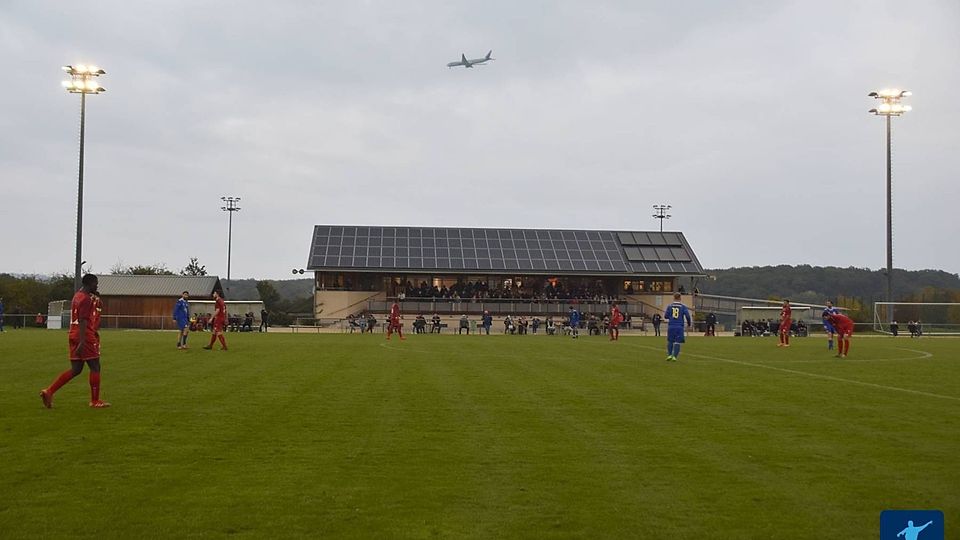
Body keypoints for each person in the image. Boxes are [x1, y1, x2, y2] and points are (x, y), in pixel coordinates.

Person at [40, 274, 110, 408]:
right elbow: (83, 320)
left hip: (73, 333)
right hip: (84, 335)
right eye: (96, 283)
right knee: (95, 366)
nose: (97, 286)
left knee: (76, 369)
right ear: (90, 283)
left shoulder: (77, 296)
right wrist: (83, 341)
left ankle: (49, 391)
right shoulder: (86, 300)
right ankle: (95, 401)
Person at [664, 292, 692, 362]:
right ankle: (674, 357)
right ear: (680, 298)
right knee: (677, 342)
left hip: (671, 326)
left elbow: (666, 316)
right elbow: (688, 316)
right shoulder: (683, 306)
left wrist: (671, 316)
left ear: (674, 298)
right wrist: (689, 323)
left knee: (670, 341)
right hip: (679, 326)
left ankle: (669, 355)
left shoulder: (669, 306)